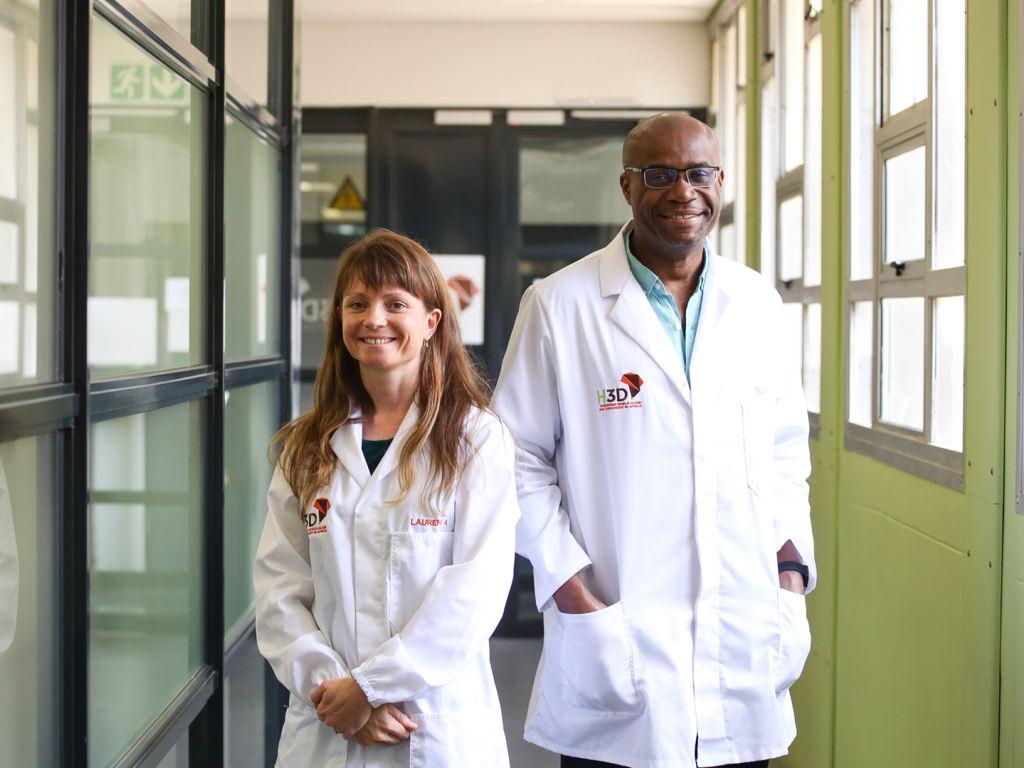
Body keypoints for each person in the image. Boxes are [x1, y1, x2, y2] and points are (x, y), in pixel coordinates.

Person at [491, 113, 814, 768]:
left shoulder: (756, 303)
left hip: (743, 634)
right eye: (659, 175)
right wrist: (569, 586)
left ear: (719, 181)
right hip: (618, 634)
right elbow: (513, 457)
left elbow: (783, 448)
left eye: (698, 173)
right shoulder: (561, 305)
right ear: (627, 186)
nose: (682, 191)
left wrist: (789, 571)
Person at [255, 229, 519, 767]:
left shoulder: (476, 439)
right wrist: (340, 694)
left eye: (395, 303)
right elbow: (279, 590)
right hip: (328, 726)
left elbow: (475, 591)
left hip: (432, 726)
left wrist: (370, 688)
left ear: (431, 323)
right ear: (340, 321)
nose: (374, 319)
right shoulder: (306, 447)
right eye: (357, 304)